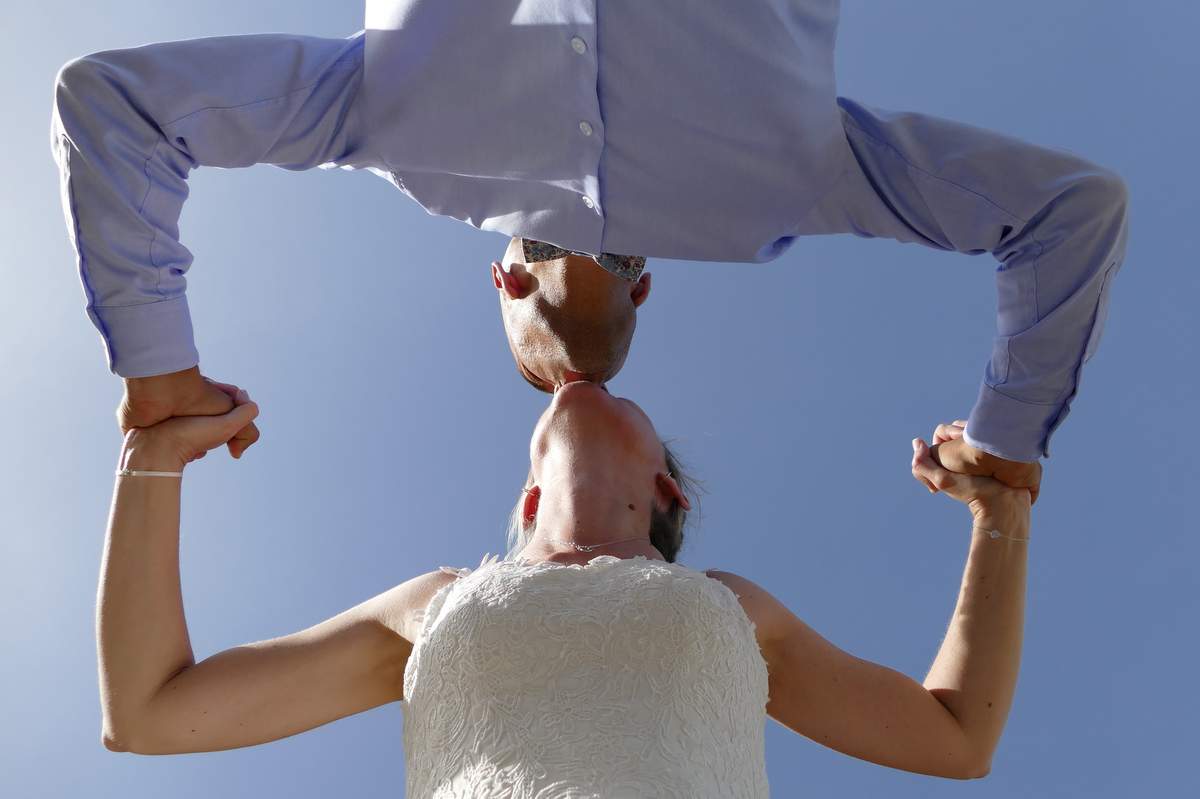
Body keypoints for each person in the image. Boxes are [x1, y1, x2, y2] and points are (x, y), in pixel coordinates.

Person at [51, 3, 1128, 502]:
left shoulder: (392, 132)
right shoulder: (786, 188)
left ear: (508, 275)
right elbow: (1066, 211)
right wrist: (1007, 440)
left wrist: (161, 375)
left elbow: (121, 108)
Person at [100, 378, 1031, 794]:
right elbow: (149, 709)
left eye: (632, 404)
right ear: (528, 495)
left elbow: (954, 736)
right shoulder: (435, 601)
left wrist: (1000, 520)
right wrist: (152, 458)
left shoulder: (731, 604)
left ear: (664, 485)